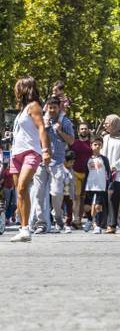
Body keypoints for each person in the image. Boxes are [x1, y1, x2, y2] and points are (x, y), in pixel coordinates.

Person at [8, 77, 52, 242]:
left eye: (17, 88)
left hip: (31, 152)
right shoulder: (22, 110)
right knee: (20, 192)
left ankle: (26, 229)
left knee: (22, 186)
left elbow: (42, 127)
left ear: (25, 89)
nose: (15, 91)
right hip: (16, 154)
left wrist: (46, 150)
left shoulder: (34, 106)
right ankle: (23, 228)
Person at [40, 96, 75, 234]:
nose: (52, 110)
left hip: (58, 163)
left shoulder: (65, 122)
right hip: (42, 162)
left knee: (56, 193)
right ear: (47, 107)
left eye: (55, 107)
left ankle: (58, 217)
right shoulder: (42, 121)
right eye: (50, 107)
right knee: (39, 194)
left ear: (59, 107)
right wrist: (45, 127)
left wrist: (59, 131)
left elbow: (71, 141)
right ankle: (41, 223)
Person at [101, 115, 120, 234]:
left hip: (116, 173)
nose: (105, 125)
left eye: (108, 123)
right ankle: (104, 222)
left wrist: (114, 166)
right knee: (104, 197)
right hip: (104, 171)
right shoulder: (106, 137)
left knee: (113, 198)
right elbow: (103, 153)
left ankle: (112, 224)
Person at [84, 137, 111, 234]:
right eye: (95, 144)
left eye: (99, 144)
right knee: (87, 207)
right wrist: (84, 187)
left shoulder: (104, 159)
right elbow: (86, 174)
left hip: (101, 186)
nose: (97, 146)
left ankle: (97, 225)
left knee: (98, 207)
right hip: (89, 186)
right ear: (91, 146)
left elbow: (109, 173)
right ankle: (90, 220)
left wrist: (109, 186)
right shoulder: (87, 160)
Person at [69, 123, 93, 229]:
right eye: (82, 129)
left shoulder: (92, 143)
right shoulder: (74, 142)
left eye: (85, 129)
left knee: (84, 198)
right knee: (76, 197)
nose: (84, 130)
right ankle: (76, 220)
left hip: (89, 174)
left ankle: (82, 218)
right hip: (75, 172)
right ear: (78, 131)